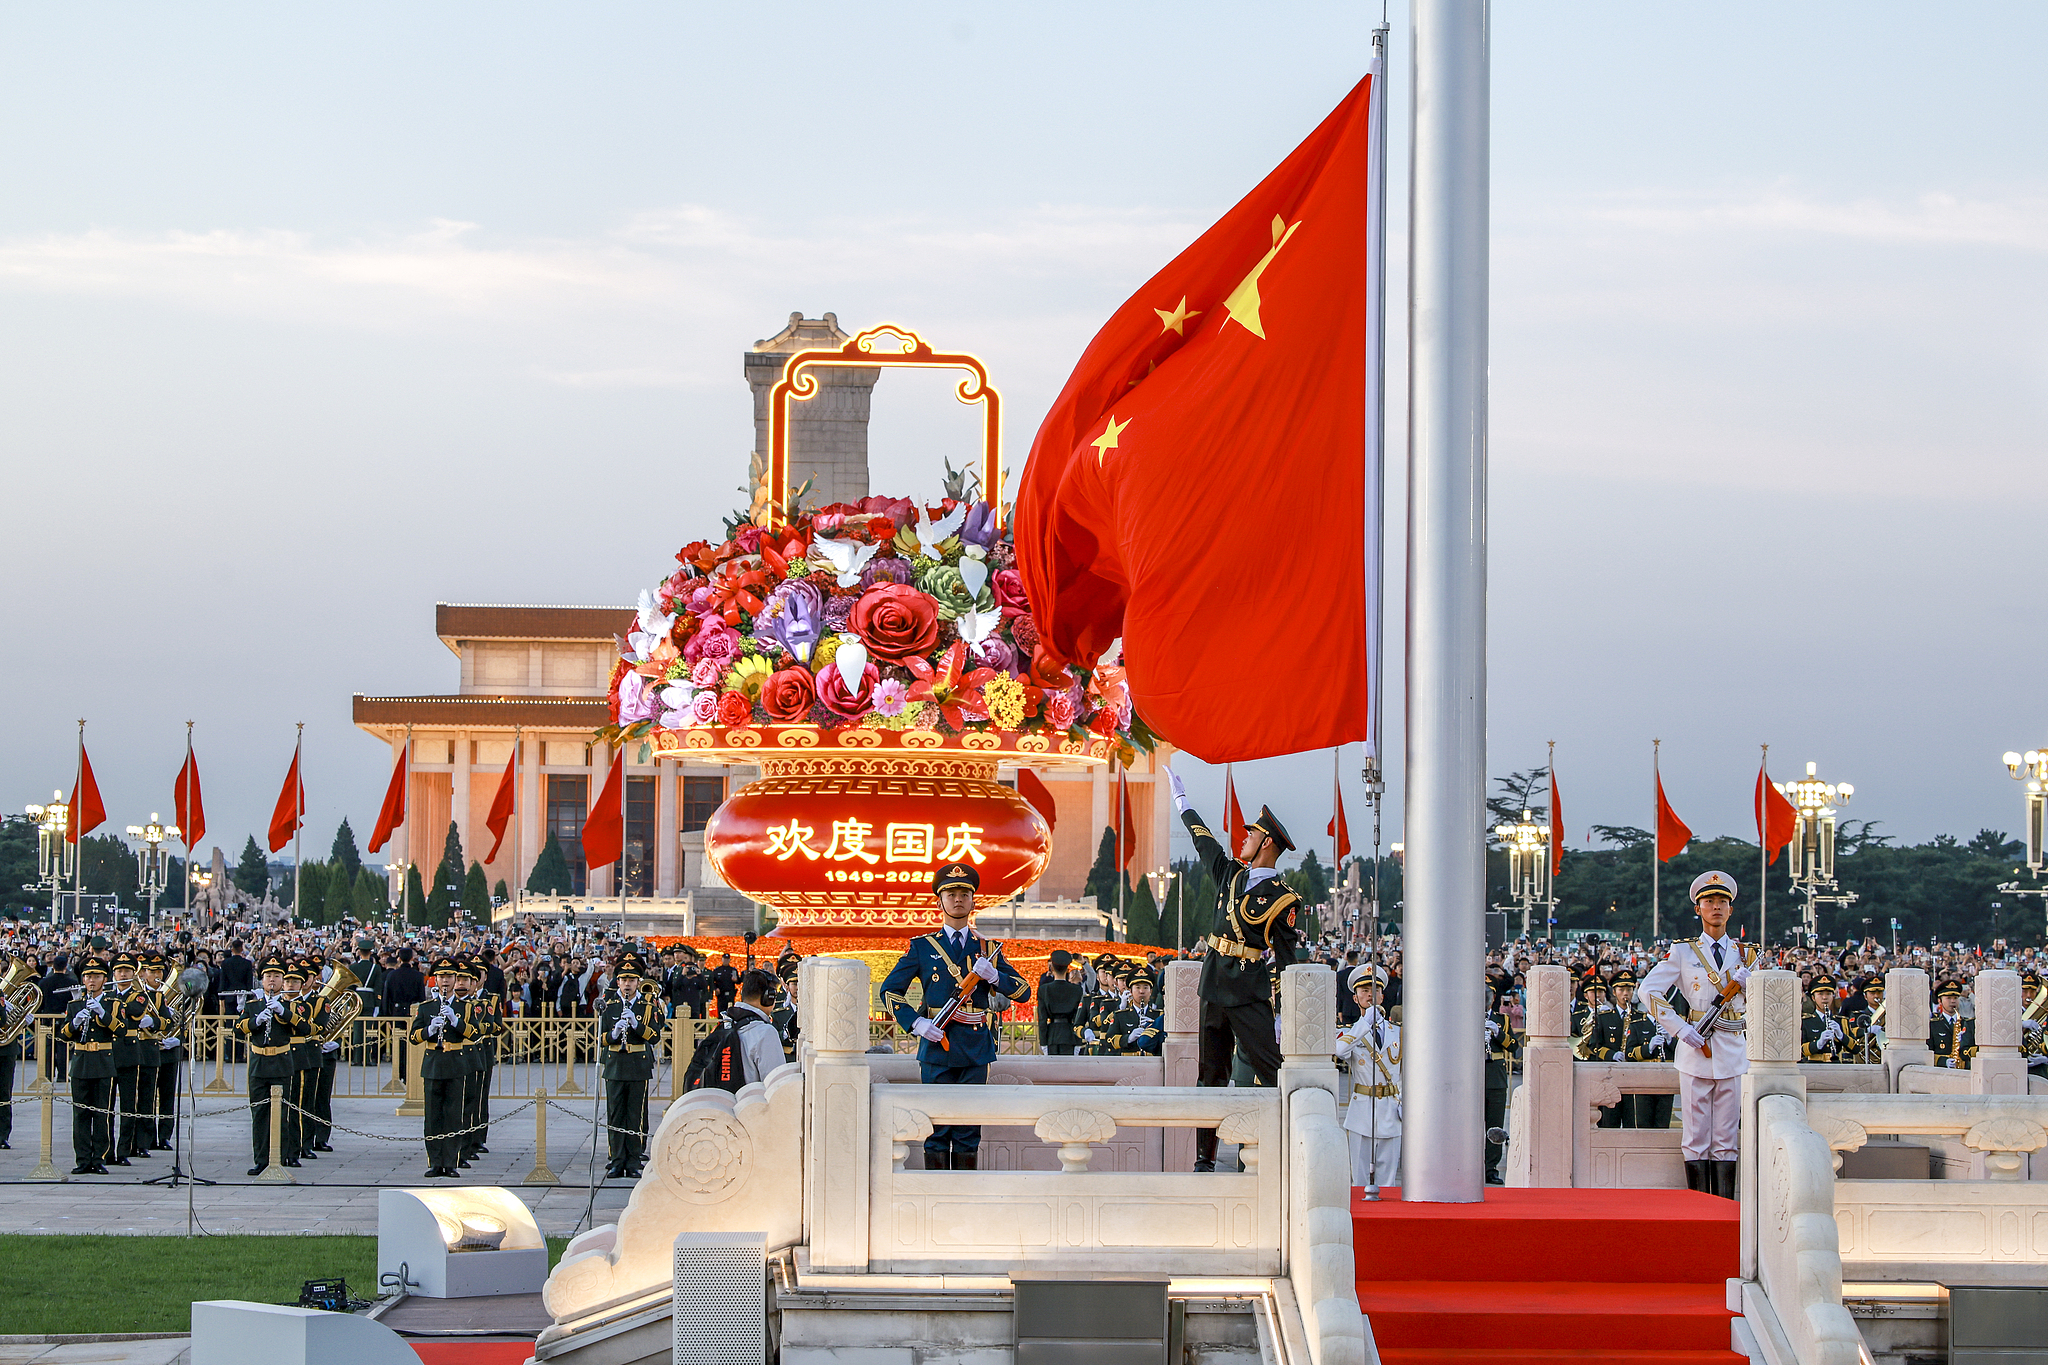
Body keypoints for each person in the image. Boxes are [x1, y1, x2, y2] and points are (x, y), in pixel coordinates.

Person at [1165, 765, 1302, 1173]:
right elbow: (1202, 841)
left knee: (1271, 1069)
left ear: (1267, 844)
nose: (1244, 838)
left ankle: (1291, 1148)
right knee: (1210, 1075)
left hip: (1247, 990)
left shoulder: (1284, 898)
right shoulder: (1230, 874)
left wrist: (1286, 1011)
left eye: (1251, 835)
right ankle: (1204, 1159)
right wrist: (1183, 804)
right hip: (1213, 984)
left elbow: (1289, 958)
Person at [878, 861, 1031, 1170]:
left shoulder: (987, 948)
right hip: (937, 1047)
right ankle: (936, 1197)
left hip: (975, 1049)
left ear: (973, 900)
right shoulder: (921, 947)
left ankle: (964, 1198)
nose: (958, 899)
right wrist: (917, 1023)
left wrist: (995, 978)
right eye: (951, 894)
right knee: (935, 1129)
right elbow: (890, 991)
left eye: (964, 893)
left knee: (968, 1130)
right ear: (939, 901)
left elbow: (1024, 991)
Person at [1640, 871, 1754, 1199]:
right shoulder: (1683, 953)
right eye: (1709, 902)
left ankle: (1723, 1207)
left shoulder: (1746, 955)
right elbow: (1647, 990)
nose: (1716, 907)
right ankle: (1699, 1206)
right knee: (1695, 1136)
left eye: (1722, 902)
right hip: (1695, 1048)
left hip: (1733, 1049)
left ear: (1731, 910)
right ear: (1698, 909)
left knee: (1726, 1136)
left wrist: (1755, 985)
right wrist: (1679, 1027)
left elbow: (1769, 1002)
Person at [237, 956, 305, 1176]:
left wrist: (282, 1012)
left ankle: (281, 1156)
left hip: (281, 1062)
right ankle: (260, 1159)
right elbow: (237, 1029)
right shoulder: (253, 1005)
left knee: (282, 1112)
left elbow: (306, 1028)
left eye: (277, 976)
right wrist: (255, 1022)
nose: (272, 980)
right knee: (259, 1113)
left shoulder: (290, 1005)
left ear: (283, 980)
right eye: (268, 976)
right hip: (258, 1062)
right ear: (262, 980)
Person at [597, 953, 661, 1180]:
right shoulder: (609, 1002)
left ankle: (633, 1160)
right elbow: (599, 1037)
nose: (627, 984)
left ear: (638, 982)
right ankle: (616, 1160)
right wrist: (614, 1033)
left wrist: (636, 1024)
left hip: (637, 1064)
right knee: (615, 1113)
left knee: (635, 1114)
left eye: (632, 980)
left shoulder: (647, 1004)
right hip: (615, 1064)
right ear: (617, 982)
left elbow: (654, 1037)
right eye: (623, 980)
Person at [1335, 967, 1400, 1186]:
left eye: (1375, 989)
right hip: (1362, 1108)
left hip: (1391, 1108)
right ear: (1355, 998)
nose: (1370, 994)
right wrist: (1364, 1024)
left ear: (1383, 996)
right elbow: (1340, 1051)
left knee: (1388, 1178)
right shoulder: (1350, 1032)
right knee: (1359, 1178)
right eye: (1364, 990)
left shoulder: (1398, 1032)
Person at [58, 955, 118, 1175]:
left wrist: (102, 1013)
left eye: (96, 976)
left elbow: (120, 1029)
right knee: (81, 1114)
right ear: (83, 980)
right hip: (82, 1062)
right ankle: (82, 1158)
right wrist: (74, 1022)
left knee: (102, 1112)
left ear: (104, 979)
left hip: (103, 1062)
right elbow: (63, 1034)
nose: (92, 981)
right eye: (88, 976)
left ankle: (99, 1157)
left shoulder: (112, 1003)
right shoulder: (74, 1005)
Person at [412, 958, 470, 1179]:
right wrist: (429, 1029)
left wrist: (455, 1022)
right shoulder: (426, 1008)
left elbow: (474, 1033)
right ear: (435, 979)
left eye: (449, 977)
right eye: (441, 977)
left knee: (453, 1115)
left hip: (456, 1063)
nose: (445, 981)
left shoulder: (464, 1007)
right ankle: (435, 1161)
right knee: (433, 1116)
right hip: (433, 1064)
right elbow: (413, 1037)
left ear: (456, 980)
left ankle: (450, 1161)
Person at [1484, 977, 1521, 1179]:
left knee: (1495, 1124)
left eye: (1488, 994)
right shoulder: (1466, 1015)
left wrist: (1498, 1033)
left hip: (1496, 1076)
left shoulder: (1502, 1019)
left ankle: (1491, 1169)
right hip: (1473, 1076)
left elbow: (1514, 1047)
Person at [1037, 950, 1084, 1055]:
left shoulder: (1044, 989)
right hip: (1071, 1036)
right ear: (1067, 969)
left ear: (1052, 968)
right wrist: (1078, 1040)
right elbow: (1079, 1017)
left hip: (1051, 1036)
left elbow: (1042, 1018)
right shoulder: (1077, 990)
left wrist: (1043, 1042)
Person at [1105, 973, 1163, 1056]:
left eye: (1146, 988)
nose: (1142, 991)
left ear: (1151, 992)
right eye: (1138, 987)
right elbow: (1109, 1040)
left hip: (1152, 1062)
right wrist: (1128, 1038)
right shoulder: (1120, 1015)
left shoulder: (1159, 1015)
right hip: (1128, 1063)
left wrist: (1155, 1026)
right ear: (1130, 991)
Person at [1801, 973, 1850, 1063]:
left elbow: (1856, 1049)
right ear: (1813, 998)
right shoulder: (1806, 1021)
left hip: (1837, 1066)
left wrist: (1841, 1036)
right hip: (1813, 1067)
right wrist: (1818, 1044)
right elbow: (1799, 1050)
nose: (1824, 997)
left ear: (1832, 997)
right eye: (1820, 994)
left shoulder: (1841, 1021)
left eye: (1828, 994)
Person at [1929, 980, 1974, 1068]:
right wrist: (1943, 1061)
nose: (1953, 1001)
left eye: (1956, 998)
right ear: (1940, 1001)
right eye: (1948, 998)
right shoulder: (1933, 1025)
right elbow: (1927, 1052)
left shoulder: (1968, 1023)